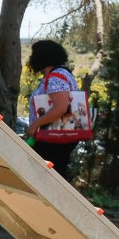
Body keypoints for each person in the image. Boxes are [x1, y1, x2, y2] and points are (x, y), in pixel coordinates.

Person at [23, 40, 81, 181]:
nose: (31, 58)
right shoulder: (63, 74)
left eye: (34, 54)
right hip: (59, 139)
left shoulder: (55, 77)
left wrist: (35, 125)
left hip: (53, 140)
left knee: (44, 181)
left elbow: (61, 107)